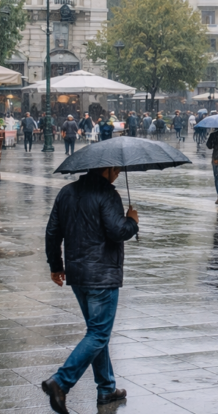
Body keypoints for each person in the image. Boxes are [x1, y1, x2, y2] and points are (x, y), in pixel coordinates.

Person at [43, 166, 139, 414]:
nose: (118, 173)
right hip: (102, 276)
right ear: (105, 169)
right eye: (116, 169)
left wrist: (56, 266)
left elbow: (52, 232)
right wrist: (132, 221)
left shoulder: (66, 192)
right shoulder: (108, 195)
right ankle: (60, 382)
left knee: (98, 333)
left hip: (78, 276)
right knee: (98, 334)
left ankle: (107, 388)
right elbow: (117, 232)